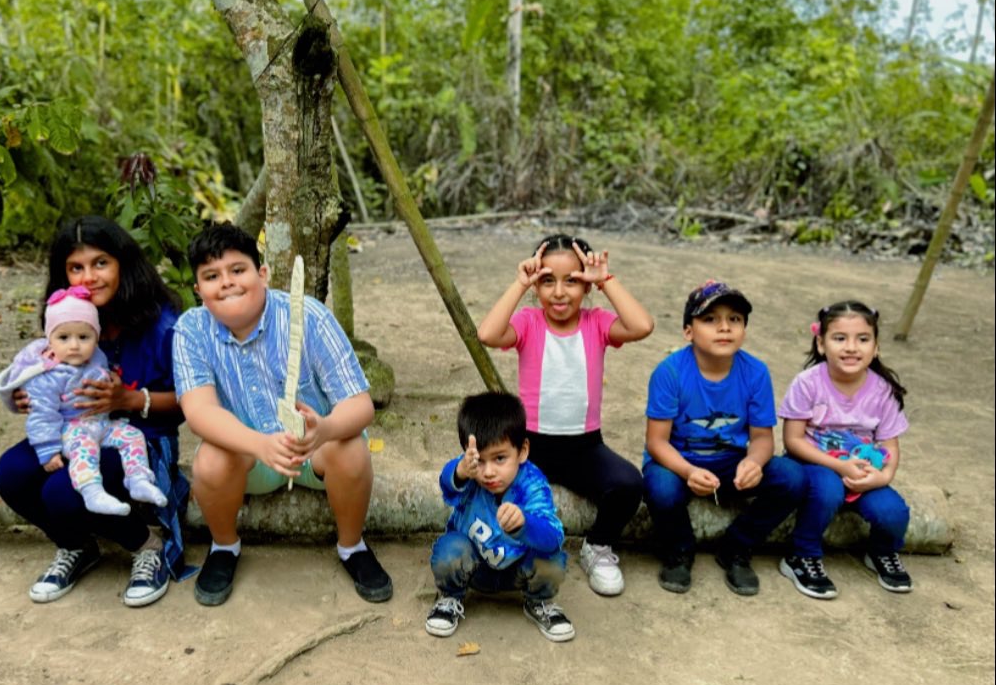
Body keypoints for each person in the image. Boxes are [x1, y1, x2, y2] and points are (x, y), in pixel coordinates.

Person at [172, 223, 392, 607]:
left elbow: (360, 405)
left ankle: (352, 546)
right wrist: (260, 444)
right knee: (209, 460)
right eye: (211, 276)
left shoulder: (308, 315)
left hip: (314, 449)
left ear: (262, 274)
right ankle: (224, 546)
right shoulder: (191, 329)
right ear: (198, 291)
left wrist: (324, 429)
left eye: (237, 270)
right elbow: (199, 412)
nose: (226, 282)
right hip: (247, 456)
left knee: (352, 449)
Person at [0, 215, 189, 608]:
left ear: (123, 264)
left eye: (100, 263)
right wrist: (25, 395)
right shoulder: (71, 319)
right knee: (11, 474)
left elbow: (192, 402)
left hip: (140, 439)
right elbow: (42, 374)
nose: (88, 277)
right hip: (75, 432)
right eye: (75, 267)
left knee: (62, 492)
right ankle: (76, 545)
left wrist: (129, 400)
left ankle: (147, 545)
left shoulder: (163, 326)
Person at [477, 234, 654, 597]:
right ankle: (509, 548)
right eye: (547, 281)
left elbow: (642, 326)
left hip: (583, 447)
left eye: (571, 280)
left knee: (629, 484)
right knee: (491, 491)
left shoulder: (597, 323)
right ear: (535, 286)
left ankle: (598, 546)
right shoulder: (529, 322)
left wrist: (606, 279)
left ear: (586, 286)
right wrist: (519, 283)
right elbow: (488, 334)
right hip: (530, 447)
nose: (559, 292)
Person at [643, 280, 804, 596]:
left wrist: (754, 462)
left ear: (744, 329)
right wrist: (688, 471)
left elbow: (762, 438)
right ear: (688, 331)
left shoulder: (755, 372)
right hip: (678, 462)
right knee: (659, 486)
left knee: (793, 477)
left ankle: (736, 546)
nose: (724, 327)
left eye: (735, 319)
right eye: (710, 319)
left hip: (731, 461)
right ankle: (679, 550)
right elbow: (656, 442)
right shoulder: (670, 372)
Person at [0, 285, 168, 517]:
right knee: (84, 448)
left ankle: (138, 479)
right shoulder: (47, 374)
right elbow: (42, 415)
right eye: (63, 337)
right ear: (49, 340)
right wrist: (48, 450)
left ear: (96, 337)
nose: (74, 345)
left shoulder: (97, 357)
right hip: (70, 429)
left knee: (132, 436)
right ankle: (92, 491)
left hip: (101, 423)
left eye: (84, 337)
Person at [778, 301, 912, 598]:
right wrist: (838, 467)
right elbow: (793, 441)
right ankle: (802, 555)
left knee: (893, 512)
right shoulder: (808, 383)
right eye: (840, 338)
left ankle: (881, 551)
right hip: (814, 464)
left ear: (876, 347)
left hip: (863, 471)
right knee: (828, 491)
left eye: (862, 339)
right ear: (821, 344)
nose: (851, 347)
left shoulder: (882, 390)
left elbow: (890, 445)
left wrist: (883, 477)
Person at [425, 392, 574, 642]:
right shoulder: (468, 470)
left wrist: (525, 524)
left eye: (500, 458)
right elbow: (446, 484)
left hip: (518, 570)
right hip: (475, 567)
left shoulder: (532, 483)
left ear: (522, 450)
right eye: (480, 461)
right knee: (448, 549)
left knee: (553, 561)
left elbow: (553, 537)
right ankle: (450, 596)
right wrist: (460, 470)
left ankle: (538, 601)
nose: (488, 472)